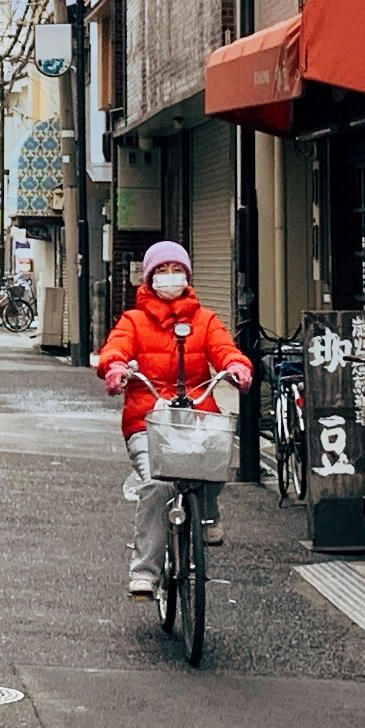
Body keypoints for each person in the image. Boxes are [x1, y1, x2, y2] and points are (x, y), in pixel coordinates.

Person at [89, 239, 249, 600]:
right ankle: (145, 572)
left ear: (187, 276)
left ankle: (207, 511)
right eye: (161, 272)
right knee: (158, 486)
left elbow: (224, 348)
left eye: (175, 270)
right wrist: (114, 367)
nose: (169, 277)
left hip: (196, 416)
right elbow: (115, 347)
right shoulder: (133, 320)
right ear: (148, 279)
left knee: (221, 456)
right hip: (148, 420)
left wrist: (236, 366)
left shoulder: (205, 320)